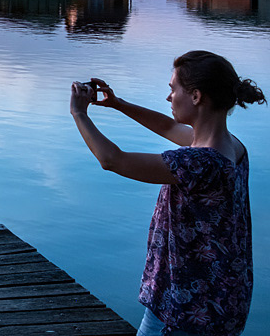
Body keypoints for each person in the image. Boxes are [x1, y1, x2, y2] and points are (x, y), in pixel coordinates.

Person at [70, 50, 264, 336]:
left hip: (184, 308)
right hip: (223, 299)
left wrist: (79, 113)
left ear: (196, 96)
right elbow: (168, 126)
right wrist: (118, 104)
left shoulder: (200, 163)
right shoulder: (233, 147)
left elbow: (113, 160)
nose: (169, 97)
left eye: (173, 89)